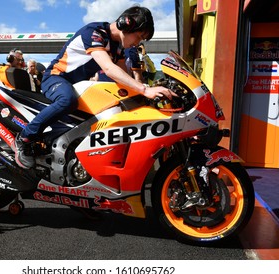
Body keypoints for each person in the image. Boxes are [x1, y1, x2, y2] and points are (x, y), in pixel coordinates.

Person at [14, 5, 176, 169]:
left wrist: (144, 94)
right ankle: (25, 137)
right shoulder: (95, 32)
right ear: (126, 25)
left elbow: (123, 75)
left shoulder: (118, 46)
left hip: (77, 85)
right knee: (67, 100)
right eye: (139, 36)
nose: (137, 43)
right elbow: (109, 69)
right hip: (56, 78)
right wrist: (145, 90)